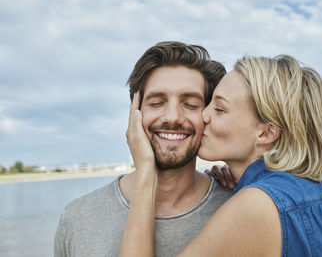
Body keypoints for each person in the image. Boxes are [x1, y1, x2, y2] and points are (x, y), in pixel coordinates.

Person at [120, 55, 322, 256]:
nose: (204, 115)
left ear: (266, 132)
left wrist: (145, 175)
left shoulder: (256, 205)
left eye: (219, 109)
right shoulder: (318, 192)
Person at [54, 41, 233, 257]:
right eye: (157, 102)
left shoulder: (236, 206)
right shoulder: (77, 218)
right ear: (134, 112)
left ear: (208, 115)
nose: (172, 117)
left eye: (191, 104)